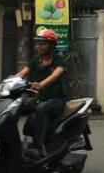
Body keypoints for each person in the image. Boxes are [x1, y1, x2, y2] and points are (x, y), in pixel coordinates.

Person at [17, 29, 68, 160]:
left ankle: (37, 147)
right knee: (16, 106)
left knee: (41, 109)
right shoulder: (36, 59)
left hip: (56, 100)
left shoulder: (58, 60)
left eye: (43, 44)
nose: (39, 46)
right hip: (40, 98)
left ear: (51, 45)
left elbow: (56, 74)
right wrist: (7, 82)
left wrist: (41, 84)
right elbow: (22, 73)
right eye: (38, 43)